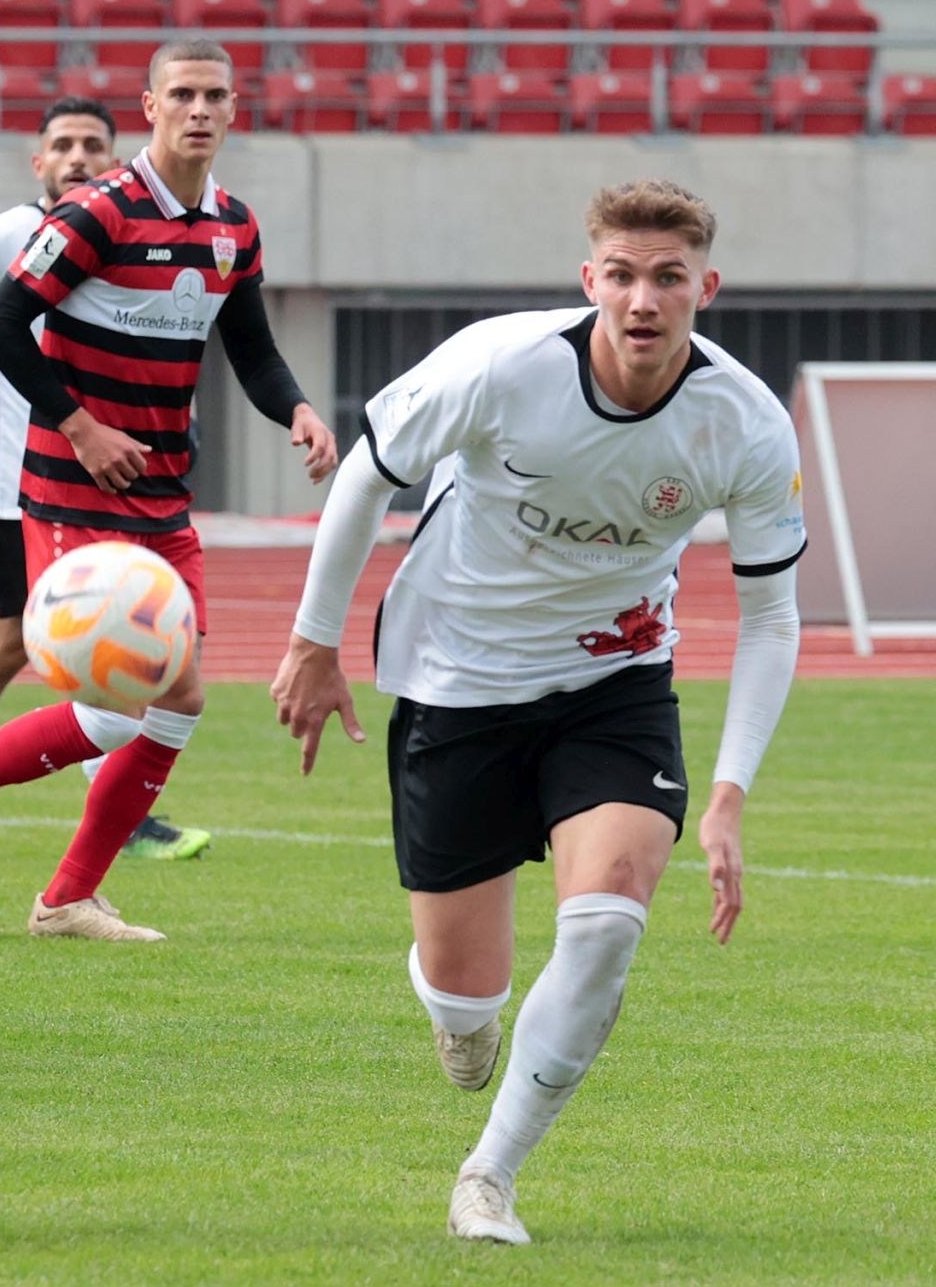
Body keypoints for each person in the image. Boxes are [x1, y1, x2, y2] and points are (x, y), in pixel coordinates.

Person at [269, 180, 806, 1244]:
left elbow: (773, 614)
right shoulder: (501, 363)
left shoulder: (745, 423)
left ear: (705, 286)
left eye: (667, 278)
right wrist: (313, 642)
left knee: (607, 921)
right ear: (589, 278)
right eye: (623, 275)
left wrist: (730, 794)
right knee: (468, 998)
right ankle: (458, 1011)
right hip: (457, 680)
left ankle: (490, 1176)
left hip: (614, 684)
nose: (643, 300)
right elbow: (367, 474)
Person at [0, 39, 337, 939]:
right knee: (116, 708)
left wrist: (300, 409)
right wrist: (80, 425)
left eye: (214, 95)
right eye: (181, 94)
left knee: (180, 699)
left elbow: (251, 348)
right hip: (68, 489)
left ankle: (67, 899)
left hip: (161, 495)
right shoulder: (99, 211)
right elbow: (3, 324)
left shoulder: (234, 225)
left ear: (233, 108)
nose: (198, 109)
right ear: (150, 105)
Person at [0, 96, 213, 863]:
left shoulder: (128, 233)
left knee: (44, 643)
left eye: (93, 143)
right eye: (62, 144)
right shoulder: (0, 237)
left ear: (116, 156)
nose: (78, 157)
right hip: (18, 486)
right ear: (39, 161)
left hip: (108, 487)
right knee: (27, 643)